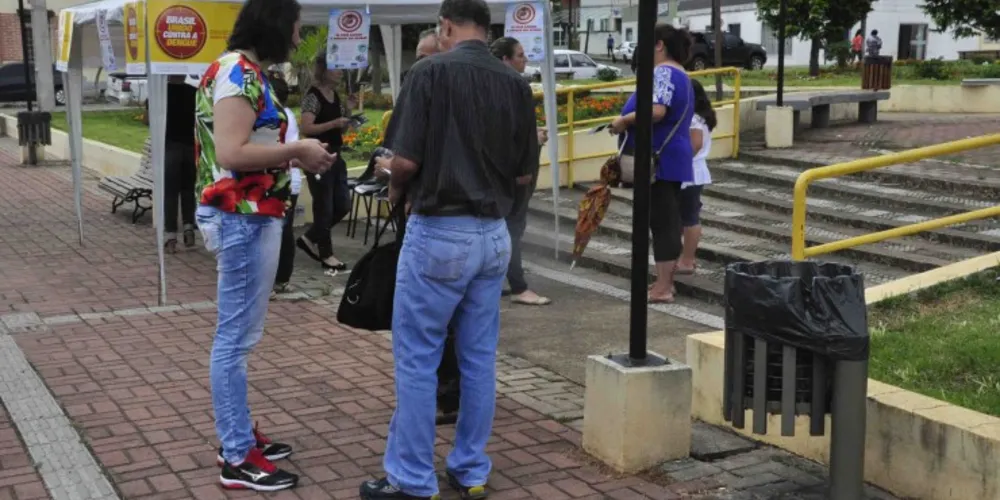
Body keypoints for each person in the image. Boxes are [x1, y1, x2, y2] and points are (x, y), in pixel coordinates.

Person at [358, 0, 538, 497]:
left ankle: (412, 479)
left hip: (440, 231)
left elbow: (404, 162)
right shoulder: (516, 85)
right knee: (479, 359)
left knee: (418, 358)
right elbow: (524, 173)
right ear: (487, 28)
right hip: (494, 236)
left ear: (445, 26)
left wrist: (387, 179)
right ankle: (470, 468)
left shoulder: (429, 72)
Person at [194, 0, 336, 491]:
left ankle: (239, 436)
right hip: (242, 217)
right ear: (275, 26)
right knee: (234, 341)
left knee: (239, 339)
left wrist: (293, 158)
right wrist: (296, 150)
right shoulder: (238, 72)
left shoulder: (243, 70)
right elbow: (233, 152)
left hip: (250, 215)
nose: (299, 41)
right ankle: (236, 455)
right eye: (296, 30)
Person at [609, 24, 694, 304]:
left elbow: (657, 110)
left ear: (659, 45)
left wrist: (624, 120)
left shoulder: (664, 72)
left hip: (660, 158)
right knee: (664, 219)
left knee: (662, 221)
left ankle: (663, 286)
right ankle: (663, 282)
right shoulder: (680, 74)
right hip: (669, 155)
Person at [490, 36, 551, 306]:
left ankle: (504, 281)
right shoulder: (511, 86)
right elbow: (508, 132)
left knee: (508, 227)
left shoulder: (495, 85)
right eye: (519, 55)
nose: (525, 60)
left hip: (502, 170)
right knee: (512, 228)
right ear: (505, 59)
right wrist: (523, 165)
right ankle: (518, 286)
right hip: (512, 173)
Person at [297, 54, 356, 271]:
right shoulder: (312, 96)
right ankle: (326, 254)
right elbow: (307, 128)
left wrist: (348, 111)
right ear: (324, 70)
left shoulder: (335, 95)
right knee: (324, 206)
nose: (341, 71)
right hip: (318, 154)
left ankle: (309, 238)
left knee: (342, 204)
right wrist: (333, 123)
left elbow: (340, 128)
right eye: (336, 67)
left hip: (336, 154)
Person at [676, 79, 715, 275]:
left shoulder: (693, 118)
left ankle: (688, 260)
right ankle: (686, 258)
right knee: (687, 215)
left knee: (689, 217)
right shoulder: (702, 116)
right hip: (695, 171)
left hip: (689, 172)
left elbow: (695, 144)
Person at [271, 76, 304, 297]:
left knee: (279, 233)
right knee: (282, 232)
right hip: (287, 181)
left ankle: (279, 279)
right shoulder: (287, 115)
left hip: (284, 181)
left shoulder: (280, 117)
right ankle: (280, 279)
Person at [161, 77, 198, 253]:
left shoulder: (161, 94)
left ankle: (170, 236)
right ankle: (189, 227)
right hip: (190, 147)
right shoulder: (193, 92)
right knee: (188, 189)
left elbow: (149, 119)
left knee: (170, 192)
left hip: (170, 147)